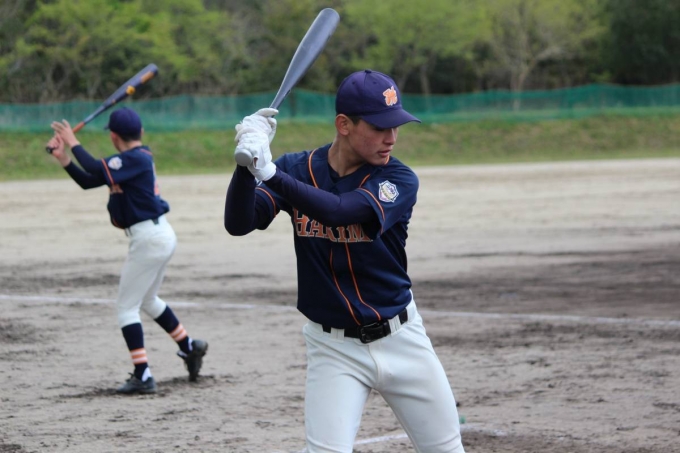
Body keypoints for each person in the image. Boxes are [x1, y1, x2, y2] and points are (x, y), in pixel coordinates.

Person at [224, 70, 465, 452]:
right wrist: (245, 160)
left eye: (396, 126)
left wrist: (268, 172)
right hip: (333, 349)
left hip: (402, 339)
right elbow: (239, 223)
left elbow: (338, 211)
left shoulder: (398, 178)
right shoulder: (297, 169)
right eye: (380, 127)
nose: (391, 137)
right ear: (344, 125)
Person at [46, 107, 208, 395]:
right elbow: (89, 180)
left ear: (113, 136)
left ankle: (142, 374)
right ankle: (189, 346)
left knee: (126, 307)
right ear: (141, 132)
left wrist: (72, 141)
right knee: (147, 300)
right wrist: (64, 158)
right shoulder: (130, 162)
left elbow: (94, 167)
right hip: (158, 235)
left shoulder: (135, 159)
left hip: (149, 239)